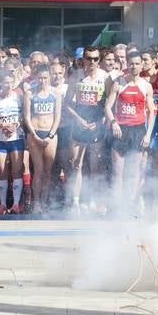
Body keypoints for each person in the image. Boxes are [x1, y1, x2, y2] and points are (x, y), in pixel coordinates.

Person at [105, 52, 155, 211]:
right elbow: (107, 106)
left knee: (134, 173)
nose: (134, 66)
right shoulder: (119, 83)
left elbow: (151, 111)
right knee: (117, 172)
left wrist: (147, 134)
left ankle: (131, 205)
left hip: (138, 130)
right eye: (131, 63)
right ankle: (118, 206)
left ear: (142, 65)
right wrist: (113, 123)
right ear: (127, 64)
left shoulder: (146, 86)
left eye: (137, 63)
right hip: (121, 130)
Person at [65, 46, 110, 212]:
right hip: (79, 125)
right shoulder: (76, 76)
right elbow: (67, 103)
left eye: (96, 59)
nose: (92, 62)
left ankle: (93, 199)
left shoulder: (105, 78)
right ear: (83, 59)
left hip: (97, 125)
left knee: (95, 165)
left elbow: (110, 105)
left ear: (99, 60)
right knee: (77, 164)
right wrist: (78, 119)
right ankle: (75, 202)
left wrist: (99, 122)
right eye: (89, 58)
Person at [24, 61, 63, 213]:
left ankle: (45, 202)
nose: (43, 81)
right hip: (35, 134)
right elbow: (27, 116)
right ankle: (37, 202)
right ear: (35, 77)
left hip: (50, 134)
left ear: (50, 77)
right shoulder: (30, 93)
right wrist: (34, 134)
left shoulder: (55, 93)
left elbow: (57, 116)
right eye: (40, 78)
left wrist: (51, 135)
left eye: (45, 78)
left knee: (48, 170)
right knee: (38, 170)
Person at [0, 65, 27, 215]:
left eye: (10, 83)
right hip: (0, 139)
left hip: (16, 138)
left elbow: (25, 117)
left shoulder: (19, 98)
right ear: (0, 82)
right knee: (2, 172)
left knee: (17, 171)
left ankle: (16, 204)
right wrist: (3, 125)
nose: (7, 85)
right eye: (5, 82)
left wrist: (15, 125)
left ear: (14, 83)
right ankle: (3, 204)